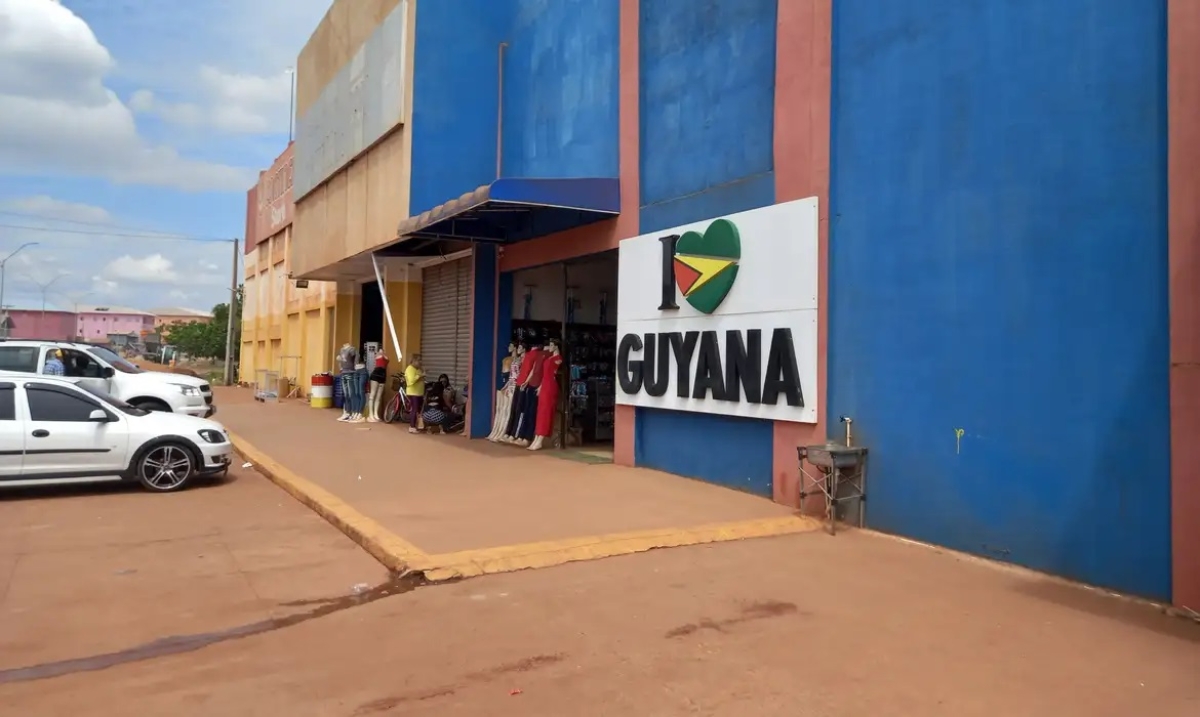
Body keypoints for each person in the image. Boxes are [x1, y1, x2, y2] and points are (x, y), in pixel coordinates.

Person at [404, 354, 425, 434]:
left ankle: (417, 425)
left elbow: (421, 377)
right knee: (414, 409)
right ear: (413, 361)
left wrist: (422, 372)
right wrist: (420, 376)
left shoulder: (418, 369)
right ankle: (412, 427)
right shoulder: (410, 369)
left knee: (418, 410)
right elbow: (411, 381)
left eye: (421, 360)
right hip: (413, 393)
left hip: (419, 393)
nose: (420, 362)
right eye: (418, 360)